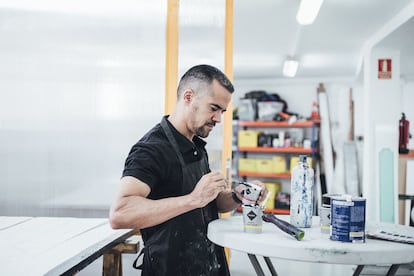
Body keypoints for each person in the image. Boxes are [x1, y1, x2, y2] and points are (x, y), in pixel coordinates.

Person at [109, 64, 267, 276]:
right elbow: (120, 213)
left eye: (222, 111)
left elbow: (209, 203)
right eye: (214, 108)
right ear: (188, 97)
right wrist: (193, 199)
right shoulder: (151, 149)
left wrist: (237, 195)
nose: (219, 119)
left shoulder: (196, 145)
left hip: (210, 265)